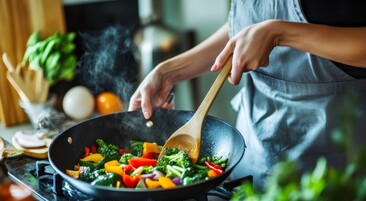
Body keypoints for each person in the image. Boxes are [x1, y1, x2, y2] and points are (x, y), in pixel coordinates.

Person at [128, 0, 366, 190]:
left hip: (336, 156)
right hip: (256, 148)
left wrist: (278, 33)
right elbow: (244, 27)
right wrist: (169, 71)